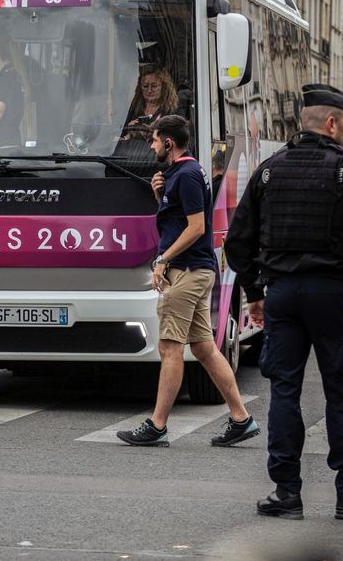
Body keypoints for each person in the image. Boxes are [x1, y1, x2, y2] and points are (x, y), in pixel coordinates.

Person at [225, 83, 343, 521]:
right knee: (342, 393)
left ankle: (285, 493)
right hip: (334, 297)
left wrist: (256, 293)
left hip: (282, 295)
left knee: (284, 391)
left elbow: (238, 243)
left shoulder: (267, 171)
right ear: (333, 123)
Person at [115, 117, 258, 448]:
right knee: (205, 348)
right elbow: (178, 221)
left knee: (169, 347)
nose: (150, 147)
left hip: (188, 271)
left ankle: (158, 425)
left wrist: (163, 260)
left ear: (168, 142)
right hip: (193, 269)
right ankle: (241, 419)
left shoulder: (189, 174)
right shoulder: (177, 175)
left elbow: (196, 227)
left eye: (154, 141)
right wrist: (158, 197)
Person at [125, 64, 180, 129]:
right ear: (140, 87)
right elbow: (120, 133)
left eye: (154, 86)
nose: (149, 90)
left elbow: (177, 135)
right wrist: (129, 130)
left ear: (164, 87)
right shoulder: (134, 107)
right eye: (145, 86)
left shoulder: (172, 110)